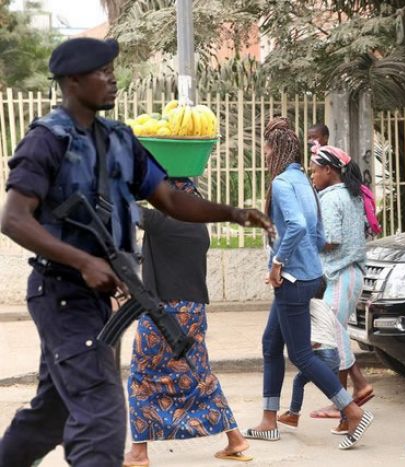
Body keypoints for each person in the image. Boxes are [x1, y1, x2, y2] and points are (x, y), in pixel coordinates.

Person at [0, 37, 272, 467]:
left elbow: (170, 199)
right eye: (101, 71)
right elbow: (14, 218)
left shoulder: (120, 138)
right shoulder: (46, 140)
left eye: (113, 69)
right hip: (62, 292)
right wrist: (83, 260)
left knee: (51, 416)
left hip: (98, 299)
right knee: (102, 418)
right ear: (72, 81)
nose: (112, 79)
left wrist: (232, 212)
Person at [244, 118, 373, 450]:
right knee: (271, 344)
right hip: (308, 275)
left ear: (277, 150)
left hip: (293, 279)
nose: (264, 155)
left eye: (266, 149)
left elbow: (300, 226)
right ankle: (269, 420)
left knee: (301, 354)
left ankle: (351, 409)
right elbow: (316, 234)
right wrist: (302, 260)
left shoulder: (284, 184)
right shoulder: (303, 180)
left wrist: (278, 263)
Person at [123, 179, 252, 466]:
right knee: (199, 374)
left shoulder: (164, 222)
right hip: (193, 312)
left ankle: (139, 453)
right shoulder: (199, 228)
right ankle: (235, 439)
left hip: (162, 313)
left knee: (142, 375)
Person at [306, 143, 375, 433]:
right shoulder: (351, 193)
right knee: (336, 333)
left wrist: (305, 241)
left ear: (328, 170)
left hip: (340, 273)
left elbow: (331, 239)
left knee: (332, 336)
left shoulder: (330, 197)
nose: (312, 177)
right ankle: (348, 397)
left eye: (314, 172)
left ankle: (351, 395)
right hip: (349, 276)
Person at [277, 278, 348, 434]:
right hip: (333, 353)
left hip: (322, 352)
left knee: (301, 381)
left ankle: (293, 415)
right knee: (335, 390)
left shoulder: (309, 304)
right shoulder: (324, 306)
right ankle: (346, 421)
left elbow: (316, 340)